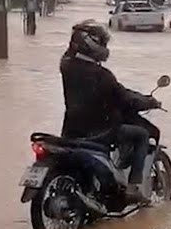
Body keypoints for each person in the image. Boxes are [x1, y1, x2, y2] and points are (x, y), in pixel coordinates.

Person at [59, 20, 162, 203]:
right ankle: (134, 187)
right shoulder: (102, 75)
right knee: (141, 134)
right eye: (103, 43)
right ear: (93, 45)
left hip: (72, 130)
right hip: (101, 130)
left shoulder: (67, 66)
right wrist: (148, 101)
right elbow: (124, 98)